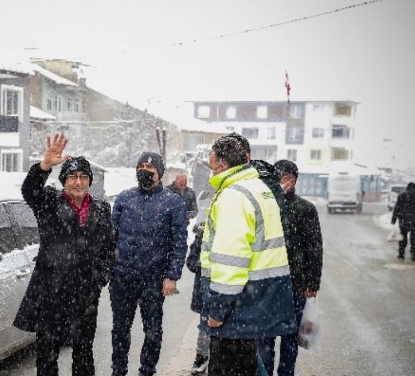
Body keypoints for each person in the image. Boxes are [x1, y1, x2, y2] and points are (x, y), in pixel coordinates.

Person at [13, 133, 116, 376]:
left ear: (89, 181)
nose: (78, 182)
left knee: (83, 352)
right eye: (72, 177)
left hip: (85, 295)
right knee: (47, 353)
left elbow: (109, 247)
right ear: (63, 181)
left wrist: (100, 277)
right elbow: (29, 191)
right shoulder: (48, 201)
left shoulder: (101, 209)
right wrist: (44, 166)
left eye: (83, 177)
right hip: (51, 291)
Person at [199, 134, 296, 376]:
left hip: (238, 308)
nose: (211, 172)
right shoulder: (260, 188)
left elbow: (231, 261)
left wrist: (217, 310)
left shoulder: (234, 195)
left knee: (228, 369)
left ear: (222, 165)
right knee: (249, 366)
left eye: (212, 167)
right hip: (257, 300)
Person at [110, 151, 188, 376]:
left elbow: (179, 242)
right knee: (120, 330)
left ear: (160, 173)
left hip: (153, 280)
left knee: (152, 331)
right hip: (122, 277)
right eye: (141, 166)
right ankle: (118, 370)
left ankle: (147, 371)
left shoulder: (173, 202)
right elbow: (111, 237)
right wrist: (109, 270)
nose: (145, 170)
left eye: (150, 168)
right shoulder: (124, 198)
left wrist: (172, 276)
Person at [259, 160, 323, 376]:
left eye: (279, 178)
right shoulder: (265, 206)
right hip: (267, 284)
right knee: (265, 340)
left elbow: (314, 249)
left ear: (291, 180)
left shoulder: (306, 209)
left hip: (295, 286)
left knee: (289, 341)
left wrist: (312, 284)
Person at [186, 226, 210, 375]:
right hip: (205, 290)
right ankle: (201, 358)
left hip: (228, 289)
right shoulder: (203, 234)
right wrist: (205, 267)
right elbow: (191, 261)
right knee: (205, 328)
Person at [391, 182, 415, 261]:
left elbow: (396, 208)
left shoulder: (401, 196)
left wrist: (393, 220)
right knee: (413, 239)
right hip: (414, 221)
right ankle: (413, 254)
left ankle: (401, 254)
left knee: (403, 238)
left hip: (403, 221)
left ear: (407, 188)